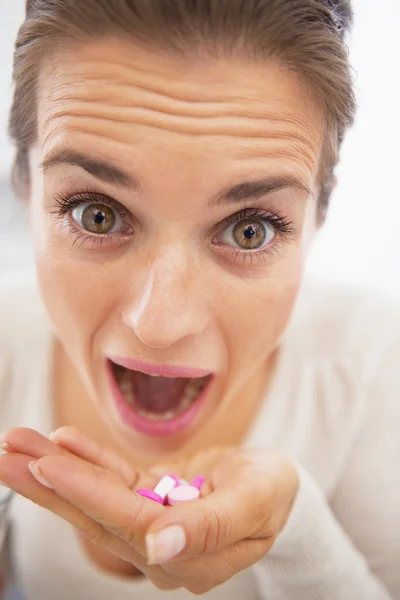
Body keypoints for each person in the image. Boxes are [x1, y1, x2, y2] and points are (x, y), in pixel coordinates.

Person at [0, 0, 398, 598]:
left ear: (319, 215)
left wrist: (295, 532)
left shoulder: (372, 363)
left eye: (249, 229)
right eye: (97, 214)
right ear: (25, 187)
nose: (160, 325)